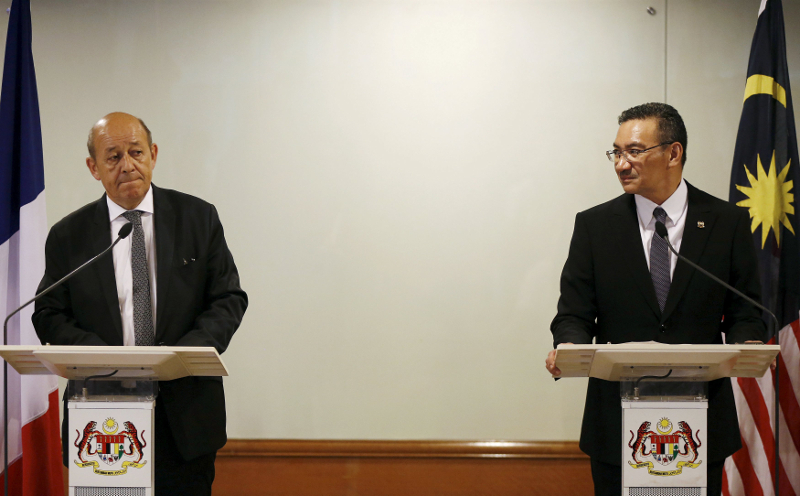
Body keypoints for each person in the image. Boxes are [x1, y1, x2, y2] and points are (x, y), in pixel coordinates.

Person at [544, 103, 765, 496]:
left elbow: (745, 309)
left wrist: (748, 342)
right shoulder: (595, 226)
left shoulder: (726, 222)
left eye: (634, 151)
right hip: (617, 425)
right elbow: (574, 313)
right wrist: (570, 346)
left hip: (701, 424)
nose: (621, 164)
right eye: (616, 152)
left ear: (673, 153)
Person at [32, 112, 248, 495]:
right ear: (93, 167)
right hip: (101, 416)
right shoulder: (69, 235)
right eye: (113, 156)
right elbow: (48, 312)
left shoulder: (197, 218)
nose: (127, 165)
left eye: (136, 152)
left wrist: (182, 354)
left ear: (154, 154)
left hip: (185, 412)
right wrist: (105, 358)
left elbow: (228, 297)